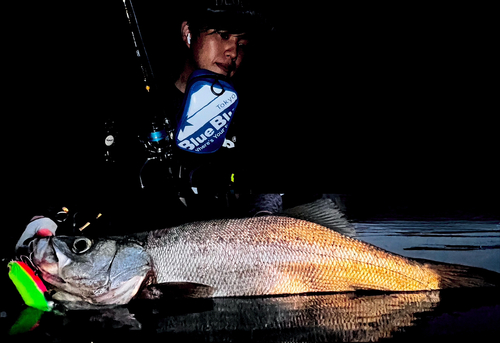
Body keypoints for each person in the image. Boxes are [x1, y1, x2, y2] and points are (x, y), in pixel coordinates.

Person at [15, 0, 277, 252]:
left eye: (242, 44)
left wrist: (266, 220)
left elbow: (267, 185)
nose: (232, 52)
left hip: (219, 260)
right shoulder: (132, 108)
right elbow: (86, 174)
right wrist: (47, 217)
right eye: (222, 35)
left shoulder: (251, 120)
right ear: (188, 34)